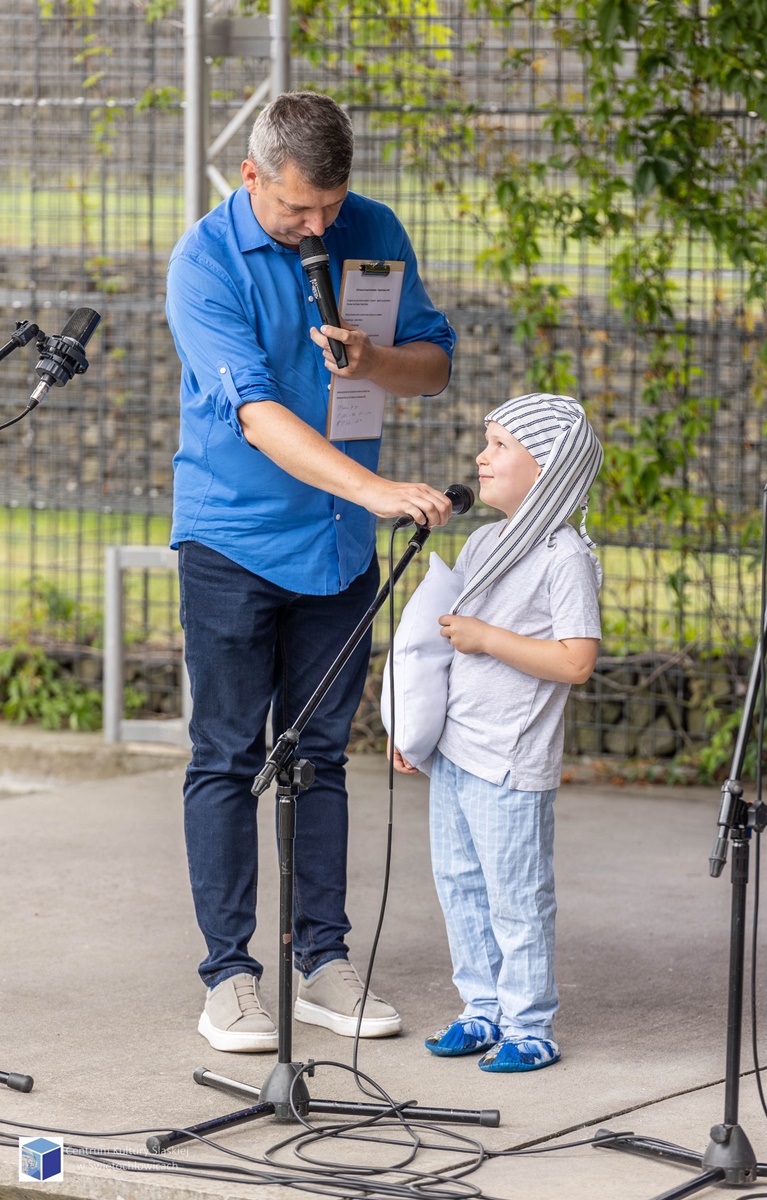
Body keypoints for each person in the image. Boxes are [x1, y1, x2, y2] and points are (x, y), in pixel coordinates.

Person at [165, 90, 456, 1052]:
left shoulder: (370, 226)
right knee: (227, 757)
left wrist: (377, 358)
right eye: (299, 209)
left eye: (332, 205)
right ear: (250, 176)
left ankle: (321, 960)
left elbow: (434, 364)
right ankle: (228, 978)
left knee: (320, 756)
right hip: (233, 542)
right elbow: (253, 413)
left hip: (335, 549)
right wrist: (372, 488)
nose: (320, 227)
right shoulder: (203, 263)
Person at [392, 393, 603, 1072]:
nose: (481, 457)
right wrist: (417, 728)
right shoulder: (484, 542)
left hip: (510, 761)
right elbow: (444, 651)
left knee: (516, 895)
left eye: (501, 445)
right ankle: (481, 1009)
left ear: (548, 467)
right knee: (459, 884)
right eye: (486, 442)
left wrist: (488, 637)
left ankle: (530, 1023)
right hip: (456, 752)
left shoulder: (563, 557)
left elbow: (576, 660)